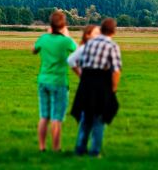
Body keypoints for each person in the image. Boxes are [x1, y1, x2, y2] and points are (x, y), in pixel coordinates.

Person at [70, 18, 122, 158]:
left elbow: (72, 61)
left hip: (86, 84)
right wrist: (113, 88)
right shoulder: (112, 46)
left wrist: (81, 75)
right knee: (99, 119)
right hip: (102, 85)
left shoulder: (89, 44)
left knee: (86, 117)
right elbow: (116, 70)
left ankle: (80, 149)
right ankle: (94, 151)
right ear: (113, 31)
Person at [33, 11, 77, 152]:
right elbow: (78, 51)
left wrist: (47, 35)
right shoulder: (66, 41)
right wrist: (67, 36)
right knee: (56, 118)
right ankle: (56, 148)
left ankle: (41, 147)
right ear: (64, 24)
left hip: (43, 80)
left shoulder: (43, 38)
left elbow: (33, 50)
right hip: (59, 82)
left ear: (50, 24)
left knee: (44, 116)